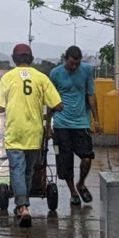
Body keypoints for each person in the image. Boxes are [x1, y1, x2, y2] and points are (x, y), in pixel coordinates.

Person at [0, 44, 62, 227]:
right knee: (29, 170)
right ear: (31, 58)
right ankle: (21, 206)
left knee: (17, 168)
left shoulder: (7, 78)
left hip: (15, 131)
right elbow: (58, 105)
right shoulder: (41, 78)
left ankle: (22, 206)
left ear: (14, 59)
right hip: (35, 132)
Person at [47, 45, 99, 207]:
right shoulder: (55, 74)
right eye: (71, 64)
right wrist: (48, 125)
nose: (74, 67)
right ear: (65, 60)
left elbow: (91, 96)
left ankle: (81, 183)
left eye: (77, 64)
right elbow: (51, 100)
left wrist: (96, 120)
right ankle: (73, 192)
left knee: (87, 156)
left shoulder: (87, 71)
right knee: (65, 160)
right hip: (62, 123)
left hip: (81, 122)